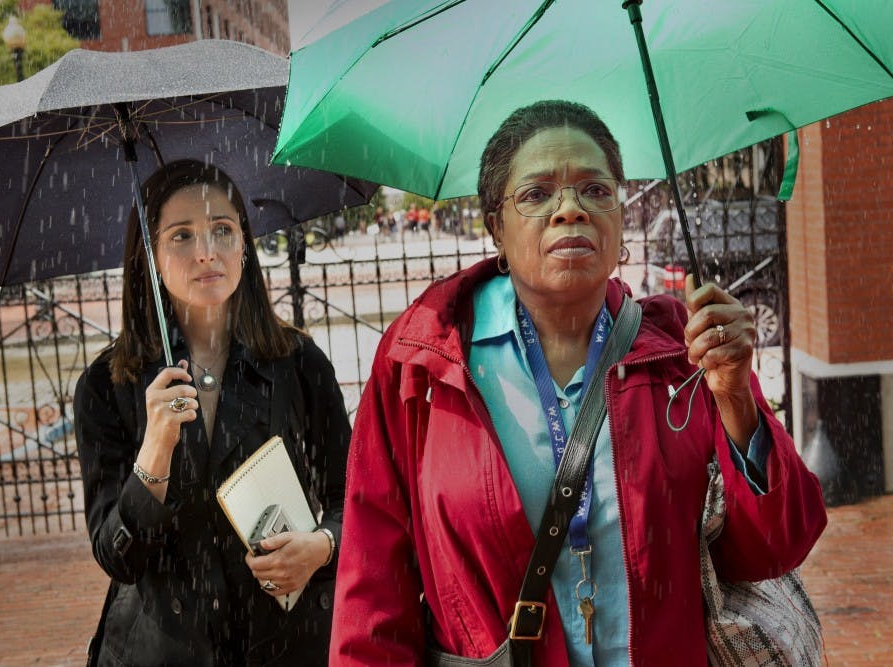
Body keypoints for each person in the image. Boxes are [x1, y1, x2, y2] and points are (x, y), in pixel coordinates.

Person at [330, 101, 826, 666]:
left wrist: (736, 395)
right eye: (537, 194)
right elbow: (373, 591)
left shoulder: (681, 356)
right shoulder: (420, 365)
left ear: (620, 216)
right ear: (495, 225)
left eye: (595, 189)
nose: (571, 209)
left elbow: (777, 545)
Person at [74, 160, 350, 666]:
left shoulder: (299, 364)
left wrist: (323, 546)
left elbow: (354, 498)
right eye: (181, 236)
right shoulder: (106, 387)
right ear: (150, 258)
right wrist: (155, 448)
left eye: (222, 230)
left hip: (286, 643)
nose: (206, 252)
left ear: (245, 245)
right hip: (164, 649)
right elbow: (118, 556)